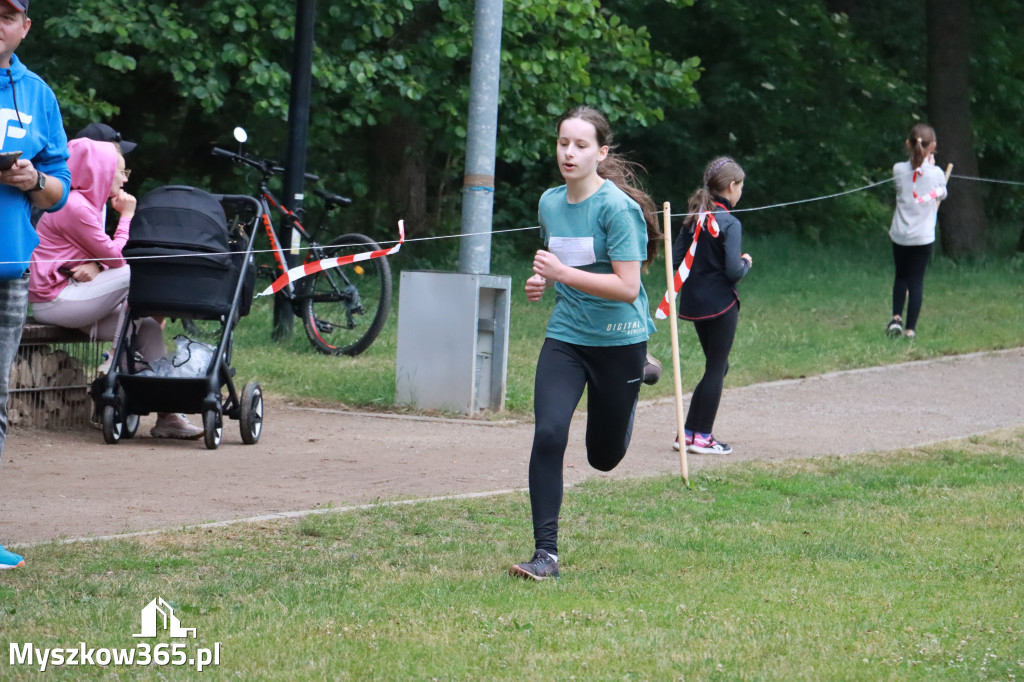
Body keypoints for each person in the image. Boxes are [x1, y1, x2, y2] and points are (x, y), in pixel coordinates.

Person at [509, 105, 660, 581]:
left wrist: (562, 273)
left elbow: (627, 287)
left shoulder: (618, 209)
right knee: (549, 433)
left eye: (580, 145)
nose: (569, 153)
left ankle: (636, 382)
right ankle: (546, 555)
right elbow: (558, 264)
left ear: (601, 152)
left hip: (619, 339)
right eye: (563, 143)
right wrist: (542, 282)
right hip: (568, 336)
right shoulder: (549, 203)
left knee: (603, 457)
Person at [28, 138, 203, 440]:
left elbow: (107, 259)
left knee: (148, 328)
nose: (124, 179)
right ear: (99, 172)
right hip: (57, 301)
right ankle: (114, 360)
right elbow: (118, 260)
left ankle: (168, 416)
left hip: (76, 296)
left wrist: (100, 263)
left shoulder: (84, 204)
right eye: (120, 171)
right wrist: (127, 217)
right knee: (136, 273)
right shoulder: (75, 206)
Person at [0, 0, 72, 569]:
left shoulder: (38, 94)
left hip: (9, 271)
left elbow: (60, 190)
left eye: (6, 14)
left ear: (24, 28)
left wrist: (34, 178)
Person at [670, 156, 752, 456]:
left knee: (718, 365)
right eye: (741, 186)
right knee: (717, 367)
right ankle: (703, 437)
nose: (741, 191)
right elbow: (733, 272)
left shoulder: (694, 217)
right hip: (721, 306)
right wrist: (745, 263)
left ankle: (687, 432)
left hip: (695, 304)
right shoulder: (730, 222)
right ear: (732, 186)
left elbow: (675, 260)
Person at [886, 123, 946, 340]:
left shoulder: (897, 169)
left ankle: (896, 319)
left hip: (900, 235)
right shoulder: (937, 173)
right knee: (916, 281)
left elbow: (909, 181)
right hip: (922, 237)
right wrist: (931, 165)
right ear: (933, 147)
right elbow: (942, 193)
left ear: (907, 144)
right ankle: (910, 330)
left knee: (901, 277)